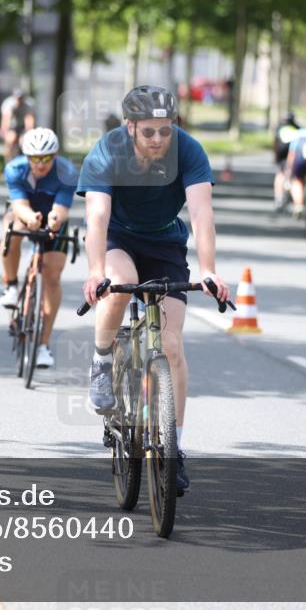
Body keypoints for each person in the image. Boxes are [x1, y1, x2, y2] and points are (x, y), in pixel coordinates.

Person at [78, 85, 232, 494]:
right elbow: (96, 214)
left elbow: (201, 211)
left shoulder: (189, 150)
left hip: (164, 242)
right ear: (130, 128)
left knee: (172, 346)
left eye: (166, 130)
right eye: (149, 132)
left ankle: (174, 448)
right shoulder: (108, 151)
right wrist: (96, 272)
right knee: (118, 288)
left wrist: (210, 270)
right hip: (117, 238)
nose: (159, 139)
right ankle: (101, 361)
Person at [0, 128, 78, 369]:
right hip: (25, 213)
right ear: (26, 156)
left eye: (46, 158)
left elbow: (62, 209)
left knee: (52, 276)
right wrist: (30, 218)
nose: (40, 164)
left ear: (55, 156)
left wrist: (53, 219)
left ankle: (43, 344)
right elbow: (19, 204)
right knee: (11, 229)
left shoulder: (67, 172)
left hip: (54, 219)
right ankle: (11, 285)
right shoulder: (15, 169)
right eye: (34, 158)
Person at [0, 88, 37, 162]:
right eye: (17, 98)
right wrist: (4, 129)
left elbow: (29, 119)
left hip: (23, 125)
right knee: (10, 140)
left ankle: (26, 161)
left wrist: (29, 132)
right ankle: (8, 161)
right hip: (12, 125)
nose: (19, 100)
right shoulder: (8, 103)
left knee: (24, 141)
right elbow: (6, 118)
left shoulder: (29, 104)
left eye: (21, 98)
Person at [272, 112, 300, 211]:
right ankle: (297, 202)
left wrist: (275, 156)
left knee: (280, 175)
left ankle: (278, 198)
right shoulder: (297, 127)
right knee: (295, 178)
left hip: (282, 154)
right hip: (295, 155)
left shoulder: (279, 127)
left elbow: (275, 143)